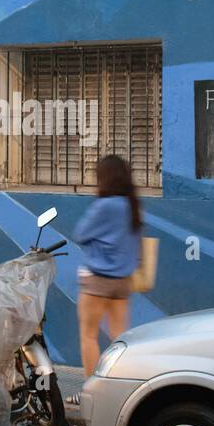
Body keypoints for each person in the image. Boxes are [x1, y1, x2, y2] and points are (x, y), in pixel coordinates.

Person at [72, 154, 143, 381]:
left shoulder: (104, 206)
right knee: (119, 339)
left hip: (97, 281)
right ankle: (119, 387)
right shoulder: (131, 205)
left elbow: (80, 233)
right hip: (122, 282)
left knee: (89, 337)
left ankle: (91, 390)